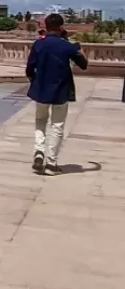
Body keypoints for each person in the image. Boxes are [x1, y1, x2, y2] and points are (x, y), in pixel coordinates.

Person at [26, 14, 87, 175]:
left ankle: (39, 151)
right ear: (62, 26)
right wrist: (77, 47)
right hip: (60, 91)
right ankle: (51, 163)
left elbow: (29, 69)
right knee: (57, 125)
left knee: (40, 120)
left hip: (41, 90)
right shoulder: (67, 46)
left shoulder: (39, 44)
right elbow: (83, 64)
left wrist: (35, 82)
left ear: (45, 26)